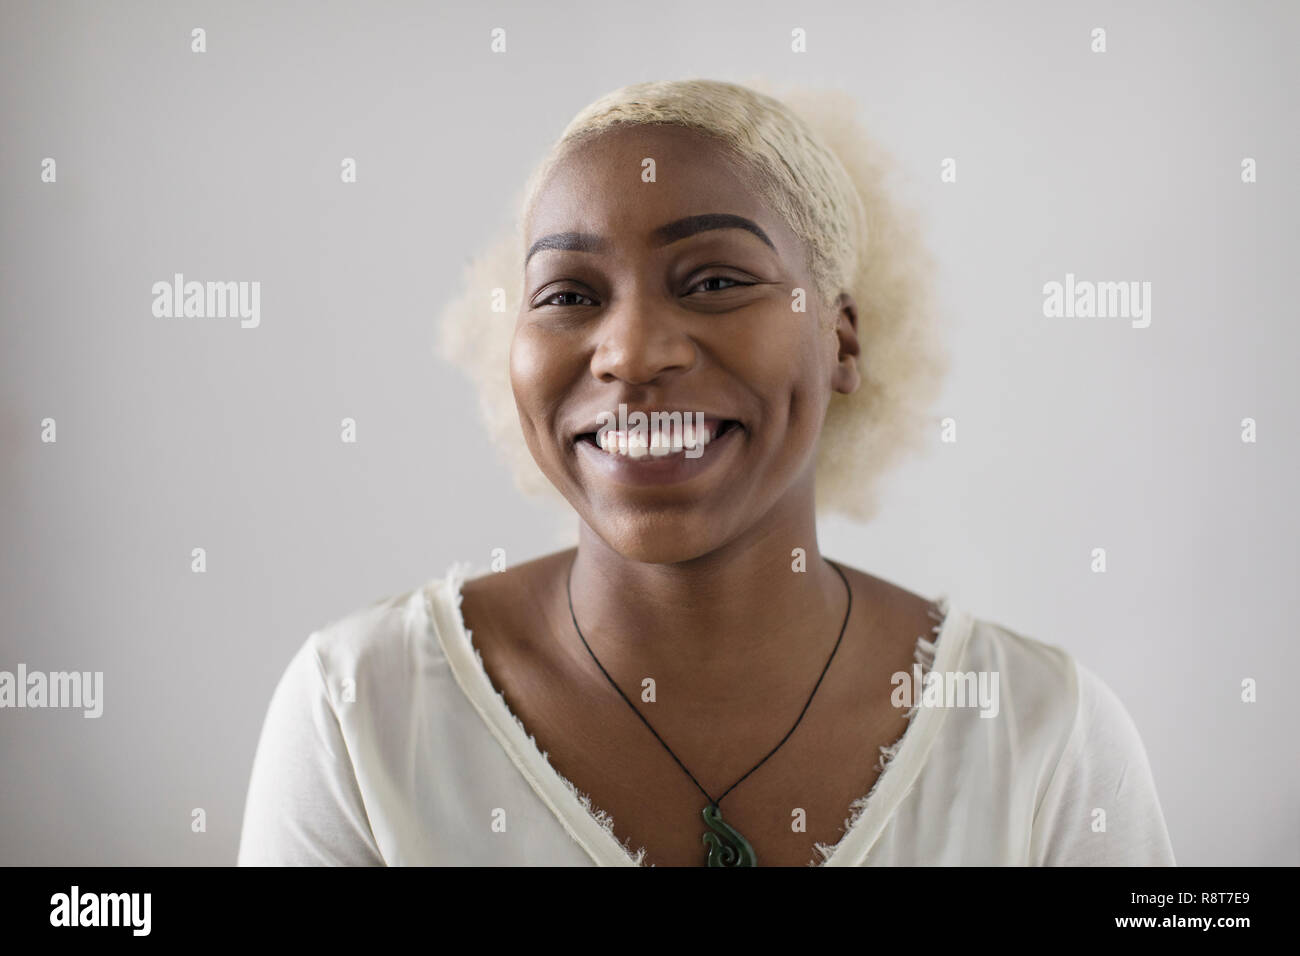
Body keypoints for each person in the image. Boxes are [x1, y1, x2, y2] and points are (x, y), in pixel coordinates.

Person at [237, 79, 1176, 867]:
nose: (633, 352)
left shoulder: (1042, 738)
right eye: (569, 295)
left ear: (841, 340)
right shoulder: (362, 714)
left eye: (716, 281)